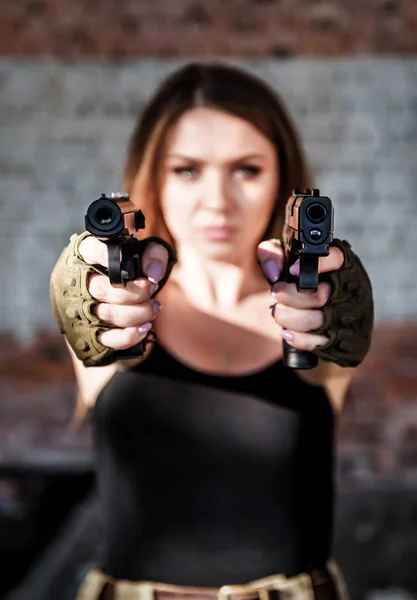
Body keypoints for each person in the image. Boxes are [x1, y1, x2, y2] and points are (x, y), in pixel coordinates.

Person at [49, 61, 374, 600]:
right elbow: (94, 326)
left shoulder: (322, 313)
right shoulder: (112, 304)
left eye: (246, 169)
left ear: (282, 178)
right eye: (188, 169)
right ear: (152, 175)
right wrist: (86, 289)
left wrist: (339, 306)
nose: (218, 200)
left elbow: (339, 345)